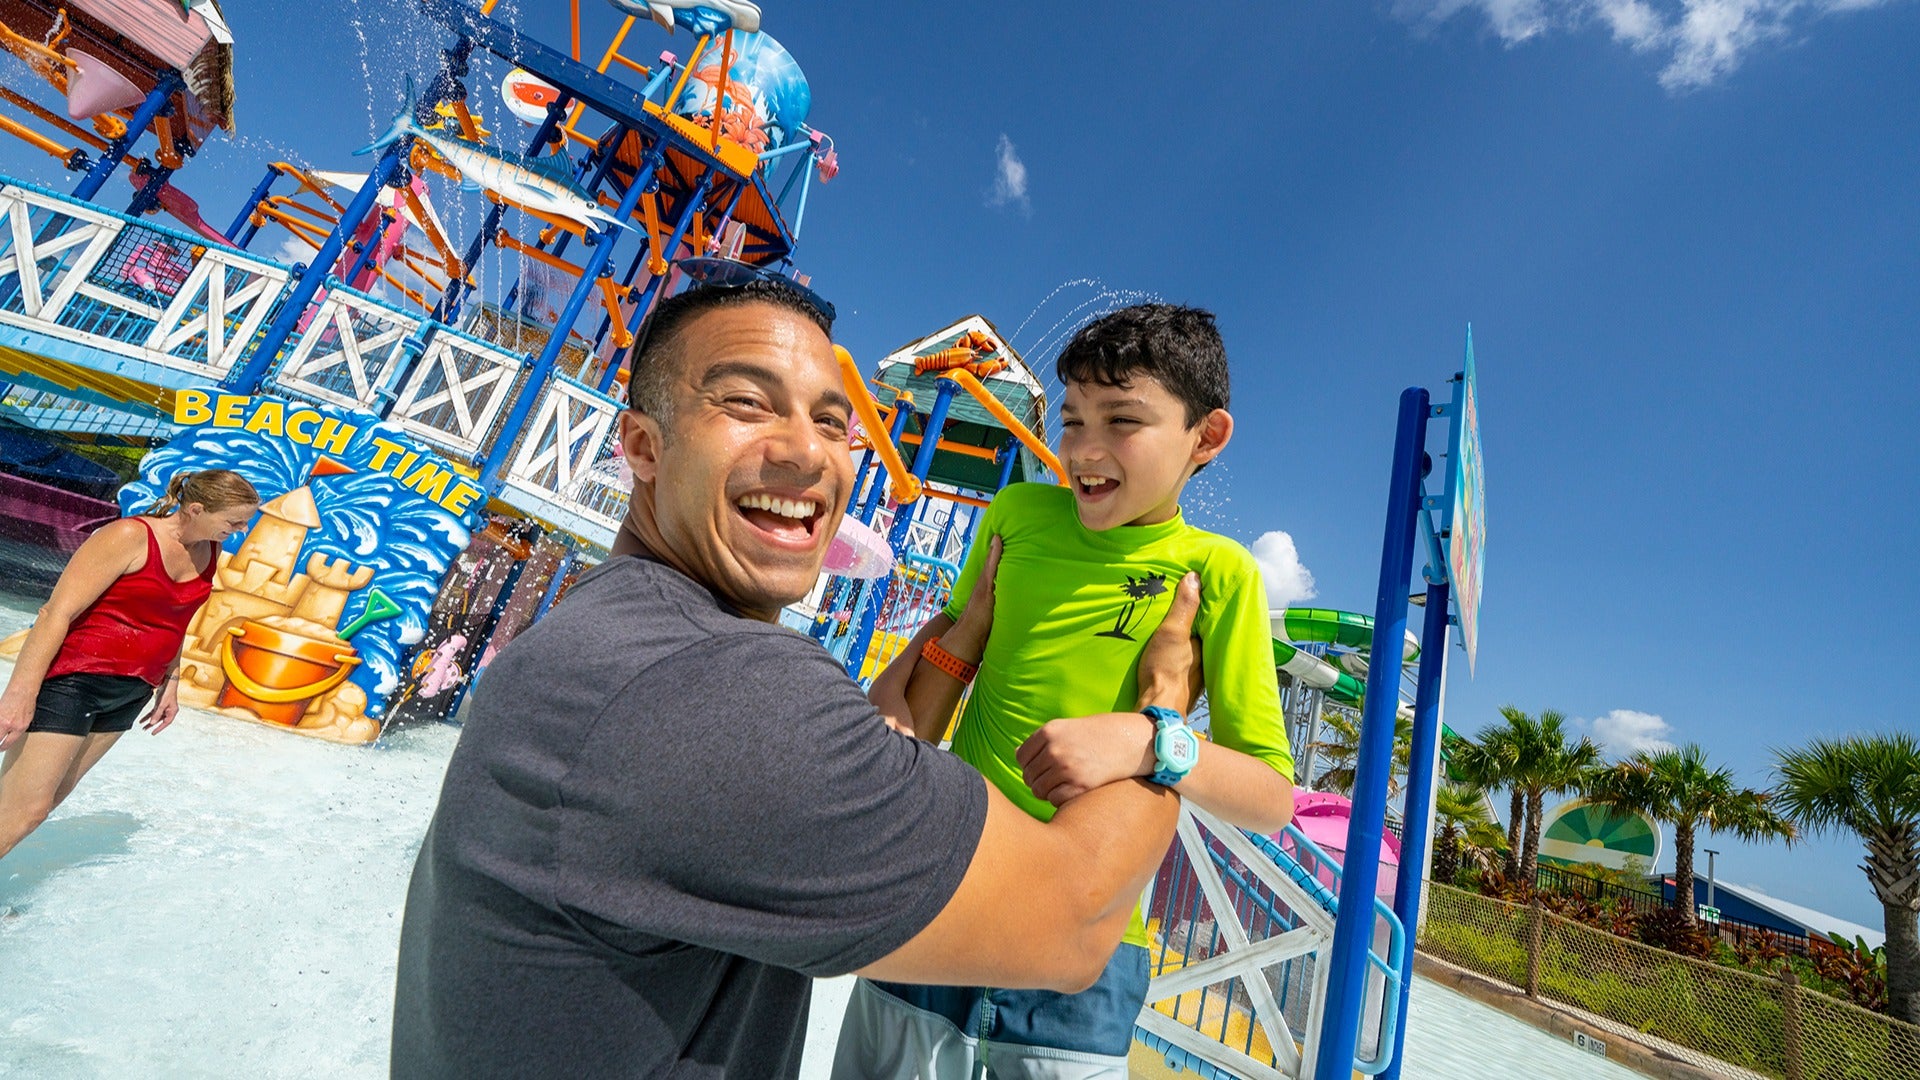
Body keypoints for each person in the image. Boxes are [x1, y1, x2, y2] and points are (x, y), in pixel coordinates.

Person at [389, 263, 1207, 1080]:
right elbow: (1074, 922)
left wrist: (957, 644)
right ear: (641, 444)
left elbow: (872, 744)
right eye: (746, 402)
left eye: (833, 422)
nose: (804, 452)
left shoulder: (599, 634)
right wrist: (1163, 721)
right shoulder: (714, 690)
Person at [835, 303, 1297, 1079]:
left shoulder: (1218, 573)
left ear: (1206, 438)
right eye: (1074, 419)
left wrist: (1147, 739)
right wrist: (882, 718)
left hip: (1091, 937)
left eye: (1123, 421)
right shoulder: (1016, 514)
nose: (1084, 449)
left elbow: (1271, 796)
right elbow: (948, 640)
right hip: (947, 884)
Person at [0, 469, 259, 860]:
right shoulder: (130, 536)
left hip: (130, 692)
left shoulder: (209, 549)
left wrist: (170, 680)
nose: (240, 530)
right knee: (26, 810)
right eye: (234, 521)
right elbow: (56, 612)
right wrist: (19, 695)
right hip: (76, 682)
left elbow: (177, 617)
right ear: (196, 508)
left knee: (43, 802)